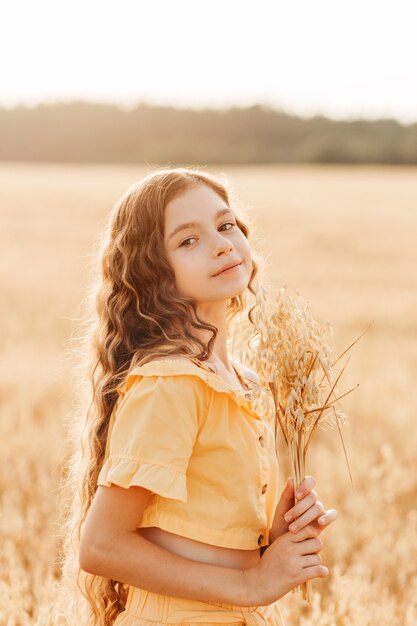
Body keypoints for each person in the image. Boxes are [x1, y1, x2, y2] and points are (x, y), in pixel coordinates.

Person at [62, 167, 337, 626]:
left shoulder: (241, 382)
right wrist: (253, 584)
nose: (222, 243)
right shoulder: (172, 383)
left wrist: (272, 539)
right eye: (188, 240)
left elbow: (205, 535)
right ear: (154, 274)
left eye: (226, 225)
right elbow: (102, 546)